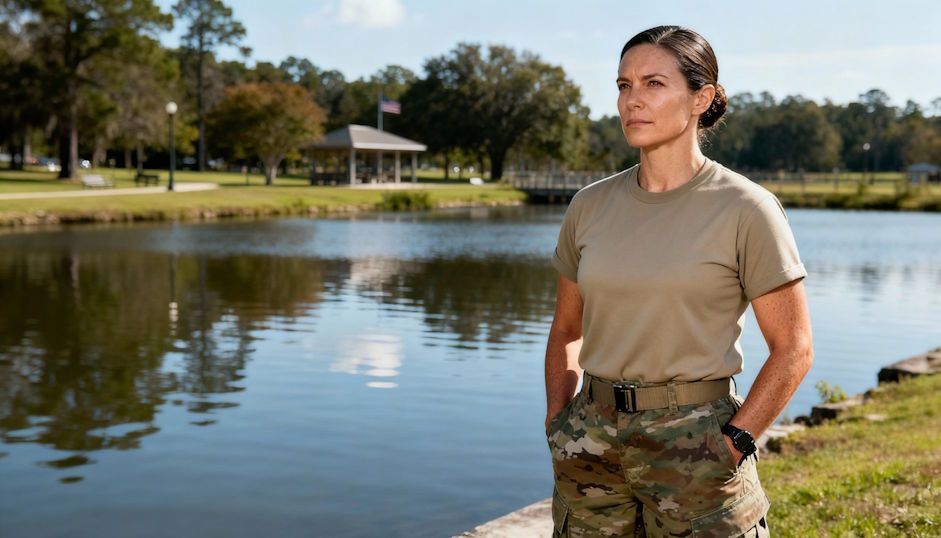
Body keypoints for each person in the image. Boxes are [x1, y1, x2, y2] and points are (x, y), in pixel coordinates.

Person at [544, 25, 813, 537]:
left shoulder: (746, 208)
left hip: (699, 444)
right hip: (591, 444)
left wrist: (735, 441)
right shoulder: (589, 206)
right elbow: (566, 331)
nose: (632, 101)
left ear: (701, 98)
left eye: (653, 84)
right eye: (624, 85)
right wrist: (559, 422)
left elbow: (794, 348)